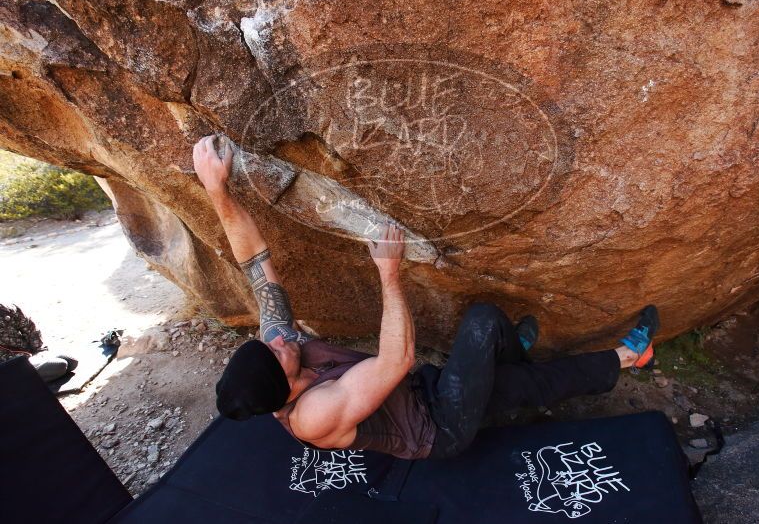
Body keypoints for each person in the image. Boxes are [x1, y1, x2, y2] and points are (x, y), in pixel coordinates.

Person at [195, 135, 660, 460]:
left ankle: (515, 355)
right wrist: (389, 273)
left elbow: (255, 262)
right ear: (284, 388)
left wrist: (217, 191)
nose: (280, 340)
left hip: (424, 388)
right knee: (480, 324)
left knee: (515, 377)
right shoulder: (313, 416)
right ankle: (627, 356)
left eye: (269, 342)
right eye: (276, 353)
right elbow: (396, 360)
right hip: (439, 427)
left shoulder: (280, 351)